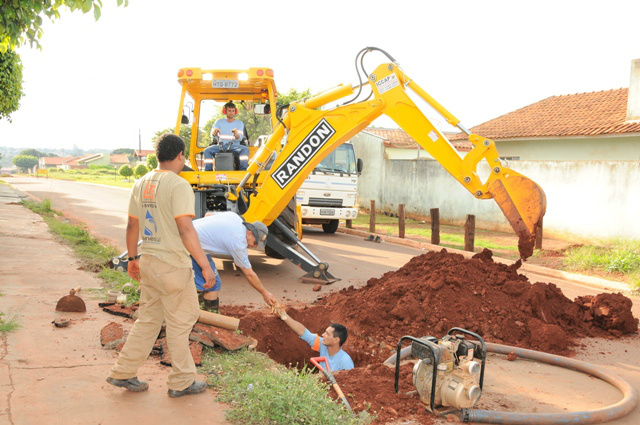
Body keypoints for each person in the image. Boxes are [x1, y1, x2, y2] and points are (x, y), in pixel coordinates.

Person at [107, 133, 216, 398]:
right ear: (180, 156)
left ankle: (123, 372)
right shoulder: (179, 185)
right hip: (173, 266)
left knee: (148, 320)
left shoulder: (141, 182)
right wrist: (205, 265)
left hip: (150, 263)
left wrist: (132, 259)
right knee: (182, 322)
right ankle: (182, 381)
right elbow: (185, 228)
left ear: (158, 156)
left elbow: (132, 225)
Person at [192, 211, 277, 311]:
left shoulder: (235, 217)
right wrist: (264, 293)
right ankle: (207, 317)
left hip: (190, 235)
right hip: (190, 244)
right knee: (213, 284)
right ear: (249, 233)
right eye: (255, 242)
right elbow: (249, 274)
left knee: (208, 282)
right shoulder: (239, 243)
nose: (254, 246)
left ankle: (200, 310)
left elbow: (208, 215)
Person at [272, 303, 354, 371]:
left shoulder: (345, 361)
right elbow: (303, 332)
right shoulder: (323, 346)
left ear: (336, 340)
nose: (323, 335)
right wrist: (284, 315)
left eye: (327, 334)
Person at [203, 101, 250, 170]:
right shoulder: (218, 122)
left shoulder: (239, 123)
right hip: (221, 146)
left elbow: (239, 138)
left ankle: (243, 170)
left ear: (235, 112)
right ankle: (208, 171)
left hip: (234, 146)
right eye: (229, 111)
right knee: (207, 151)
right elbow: (213, 135)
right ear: (225, 111)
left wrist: (236, 134)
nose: (231, 113)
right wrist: (214, 133)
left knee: (245, 149)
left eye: (233, 111)